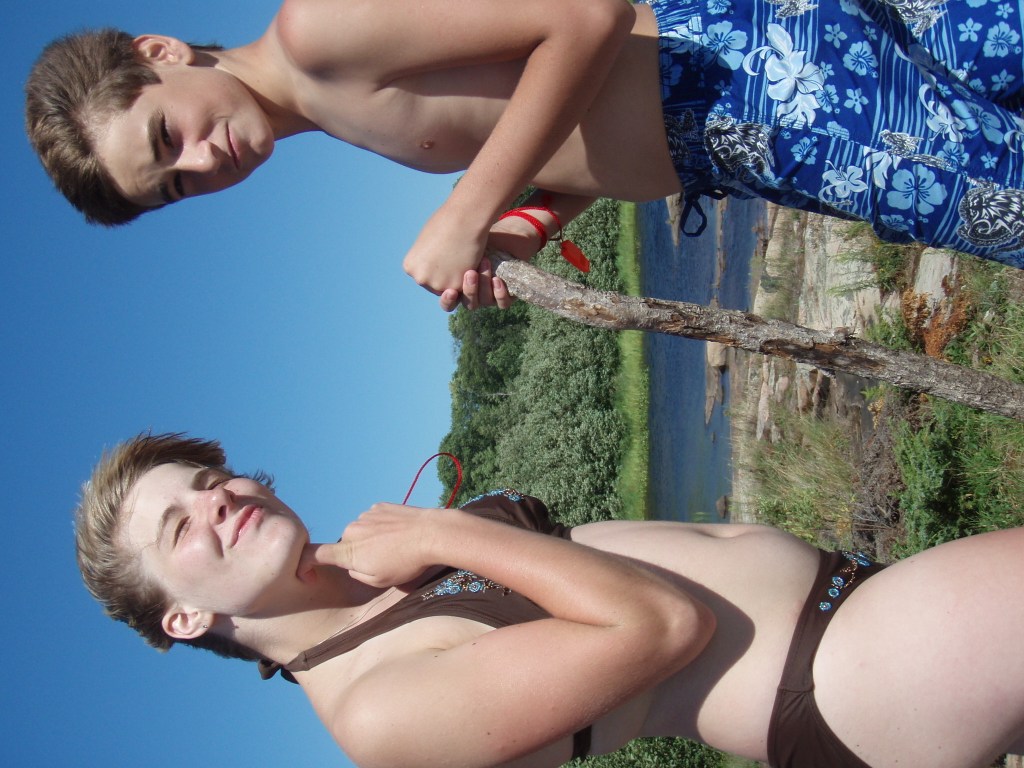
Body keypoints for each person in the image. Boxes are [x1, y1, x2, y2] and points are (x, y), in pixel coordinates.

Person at [77, 431, 1024, 767]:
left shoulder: (376, 567)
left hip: (858, 597)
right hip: (841, 677)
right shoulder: (375, 712)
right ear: (184, 618)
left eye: (212, 481)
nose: (218, 501)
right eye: (180, 527)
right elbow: (664, 626)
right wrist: (447, 534)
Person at [25, 0, 1024, 312]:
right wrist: (523, 224)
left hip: (759, 82)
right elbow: (570, 128)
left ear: (161, 54)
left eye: (167, 137)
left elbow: (584, 18)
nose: (203, 164)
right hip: (745, 126)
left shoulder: (317, 34)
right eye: (177, 186)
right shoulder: (326, 110)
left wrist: (462, 214)